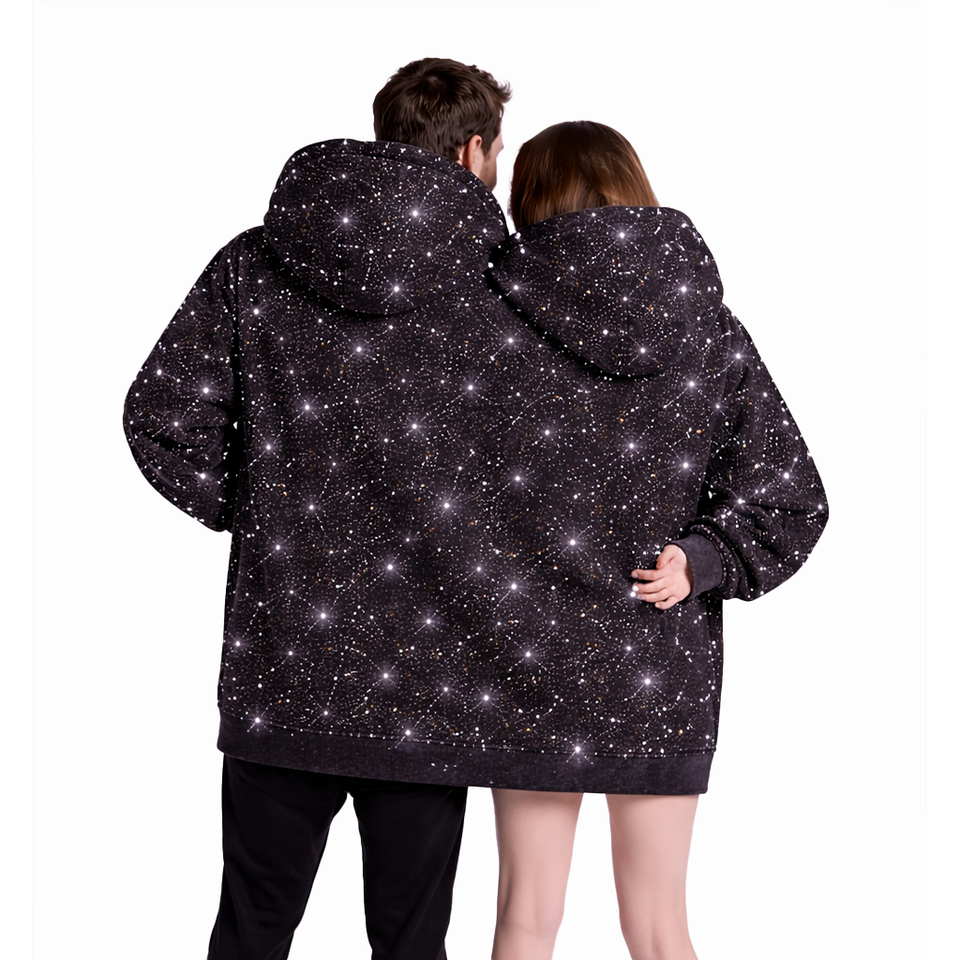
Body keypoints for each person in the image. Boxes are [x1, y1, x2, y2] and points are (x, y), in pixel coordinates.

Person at [124, 57, 510, 960]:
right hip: (432, 677)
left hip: (282, 662)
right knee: (412, 944)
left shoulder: (258, 259)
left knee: (252, 929)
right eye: (498, 153)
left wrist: (259, 507)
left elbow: (161, 416)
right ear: (471, 151)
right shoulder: (501, 276)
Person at [478, 120, 828, 960]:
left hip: (523, 651)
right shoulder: (706, 328)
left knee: (526, 917)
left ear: (528, 198)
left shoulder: (489, 320)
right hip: (659, 659)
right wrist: (701, 559)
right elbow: (790, 497)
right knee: (661, 927)